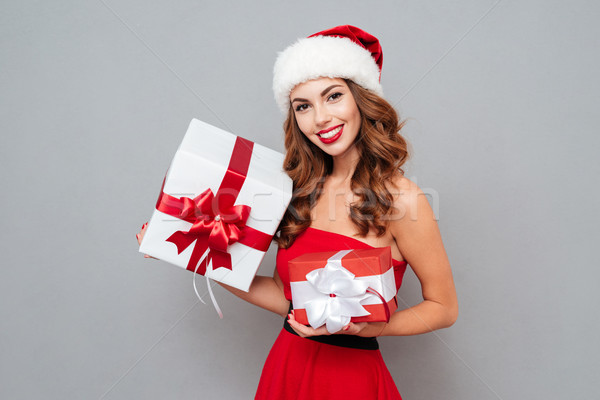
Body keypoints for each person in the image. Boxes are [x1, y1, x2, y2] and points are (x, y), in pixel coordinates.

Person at [137, 25, 458, 399]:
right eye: (303, 106)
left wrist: (370, 329)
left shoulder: (402, 199)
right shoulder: (295, 193)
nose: (320, 118)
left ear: (361, 100)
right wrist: (190, 253)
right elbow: (280, 294)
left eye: (333, 96)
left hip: (351, 382)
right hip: (286, 370)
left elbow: (443, 308)